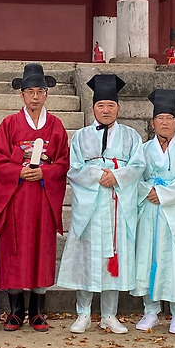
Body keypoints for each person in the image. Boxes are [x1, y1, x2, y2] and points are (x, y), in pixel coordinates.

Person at [57, 73, 145, 334]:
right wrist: (99, 175)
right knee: (88, 257)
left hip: (117, 203)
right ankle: (83, 313)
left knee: (112, 258)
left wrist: (117, 176)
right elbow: (74, 168)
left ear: (118, 107)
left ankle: (109, 314)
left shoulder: (131, 136)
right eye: (100, 105)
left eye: (110, 105)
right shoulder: (81, 136)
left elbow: (138, 165)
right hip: (91, 205)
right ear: (93, 107)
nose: (105, 110)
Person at [0, 63, 69, 331]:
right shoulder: (10, 124)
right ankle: (15, 312)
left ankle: (37, 312)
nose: (35, 97)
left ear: (47, 94)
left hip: (43, 198)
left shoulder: (56, 126)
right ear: (21, 95)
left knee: (41, 251)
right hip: (16, 197)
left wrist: (45, 171)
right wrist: (18, 170)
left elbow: (63, 161)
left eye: (40, 91)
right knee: (14, 250)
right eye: (30, 92)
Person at [132, 89, 175, 334]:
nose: (164, 122)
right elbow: (134, 177)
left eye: (169, 118)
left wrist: (163, 193)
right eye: (160, 118)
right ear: (152, 123)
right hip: (149, 210)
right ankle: (150, 311)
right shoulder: (142, 150)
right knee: (149, 257)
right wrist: (148, 191)